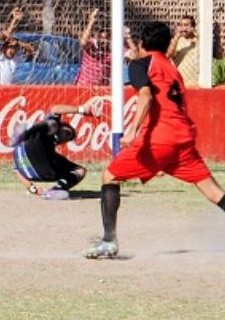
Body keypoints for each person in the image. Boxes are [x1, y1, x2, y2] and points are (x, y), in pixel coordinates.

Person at [85, 21, 225, 259]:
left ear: (141, 44)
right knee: (213, 192)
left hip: (161, 137)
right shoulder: (172, 68)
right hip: (184, 137)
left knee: (110, 176)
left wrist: (131, 130)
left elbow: (146, 95)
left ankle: (109, 241)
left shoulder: (141, 64)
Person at [10, 101, 101, 200]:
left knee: (80, 170)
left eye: (68, 138)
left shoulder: (46, 145)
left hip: (34, 169)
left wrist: (32, 188)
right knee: (52, 124)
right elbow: (56, 109)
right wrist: (82, 110)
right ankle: (25, 133)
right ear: (63, 126)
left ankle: (55, 190)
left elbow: (15, 169)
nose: (66, 137)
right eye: (67, 132)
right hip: (31, 164)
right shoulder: (51, 129)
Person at [76, 9, 111, 86]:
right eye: (100, 38)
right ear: (96, 36)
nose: (102, 41)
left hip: (100, 92)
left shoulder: (112, 53)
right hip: (83, 87)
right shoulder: (91, 46)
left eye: (105, 39)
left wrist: (128, 38)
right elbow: (83, 43)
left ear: (109, 39)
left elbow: (133, 55)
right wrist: (91, 21)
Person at [167, 15, 198, 87]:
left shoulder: (198, 41)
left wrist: (196, 33)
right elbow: (169, 55)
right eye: (181, 25)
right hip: (181, 81)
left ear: (192, 27)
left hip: (195, 81)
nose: (183, 28)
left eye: (186, 25)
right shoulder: (176, 41)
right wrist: (177, 36)